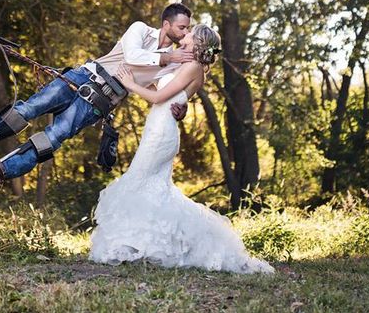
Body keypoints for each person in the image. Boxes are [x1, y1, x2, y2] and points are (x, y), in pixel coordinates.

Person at [89, 24, 274, 274]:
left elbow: (157, 98)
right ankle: (143, 244)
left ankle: (137, 244)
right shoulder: (184, 65)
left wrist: (128, 83)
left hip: (162, 133)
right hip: (158, 127)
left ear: (197, 42)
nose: (183, 36)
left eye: (189, 33)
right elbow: (162, 90)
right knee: (153, 189)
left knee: (138, 181)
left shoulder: (194, 68)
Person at [0, 3, 193, 187]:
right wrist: (166, 57)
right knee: (29, 108)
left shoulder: (174, 62)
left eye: (187, 28)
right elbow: (132, 55)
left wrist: (179, 105)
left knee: (55, 137)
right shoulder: (141, 29)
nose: (185, 33)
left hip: (99, 101)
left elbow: (166, 88)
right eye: (181, 27)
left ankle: (1, 170)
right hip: (81, 76)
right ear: (166, 24)